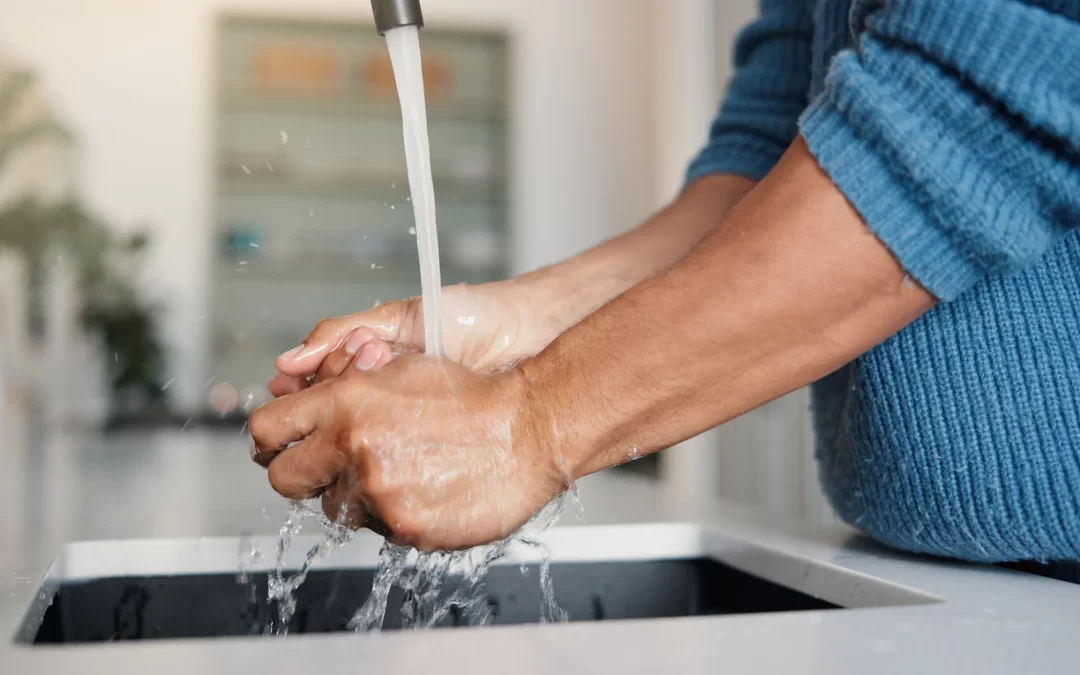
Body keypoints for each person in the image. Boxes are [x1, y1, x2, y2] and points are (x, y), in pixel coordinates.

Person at [249, 0, 1080, 565]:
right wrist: (507, 327)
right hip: (918, 571)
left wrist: (527, 424)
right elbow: (769, 150)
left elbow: (985, 92)